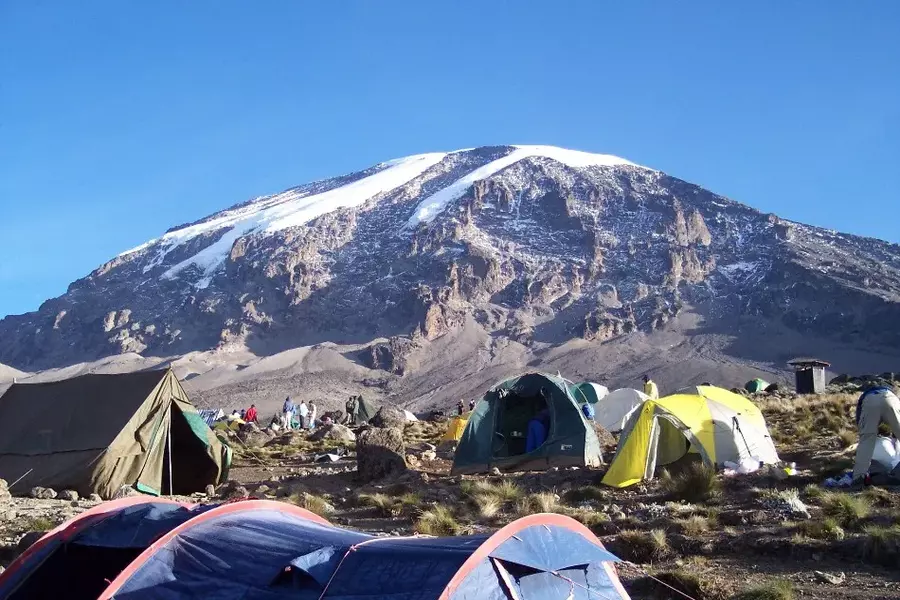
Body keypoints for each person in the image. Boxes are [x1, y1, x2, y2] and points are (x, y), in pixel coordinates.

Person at [852, 385, 900, 483]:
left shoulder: (865, 396)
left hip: (870, 401)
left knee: (866, 441)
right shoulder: (892, 394)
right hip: (891, 399)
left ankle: (858, 478)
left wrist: (866, 432)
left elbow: (859, 419)